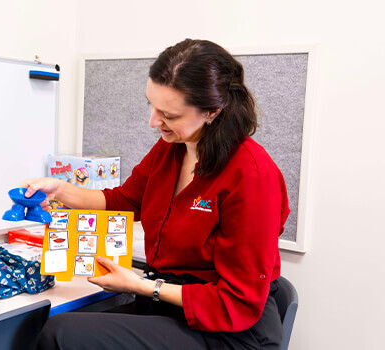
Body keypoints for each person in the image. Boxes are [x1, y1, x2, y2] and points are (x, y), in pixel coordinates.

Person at [21, 38, 290, 350]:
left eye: (169, 115)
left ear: (213, 112)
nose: (153, 121)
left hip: (231, 331)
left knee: (62, 335)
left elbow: (238, 301)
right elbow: (122, 201)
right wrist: (62, 190)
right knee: (57, 323)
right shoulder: (170, 149)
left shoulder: (252, 176)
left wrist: (142, 285)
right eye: (151, 105)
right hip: (168, 305)